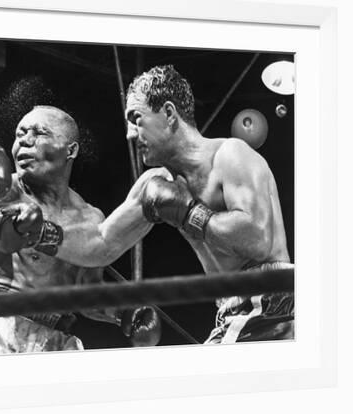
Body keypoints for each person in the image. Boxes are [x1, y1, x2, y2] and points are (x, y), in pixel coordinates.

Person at [47, 65, 294, 344]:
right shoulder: (155, 182)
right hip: (230, 311)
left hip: (274, 307)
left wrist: (189, 212)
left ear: (168, 113)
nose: (129, 134)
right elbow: (101, 243)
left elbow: (257, 240)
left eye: (136, 119)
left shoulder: (231, 155)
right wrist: (42, 233)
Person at [0, 105, 161, 355]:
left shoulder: (89, 217)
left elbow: (85, 293)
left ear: (70, 150)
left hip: (56, 340)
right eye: (20, 134)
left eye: (39, 133)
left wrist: (122, 312)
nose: (25, 142)